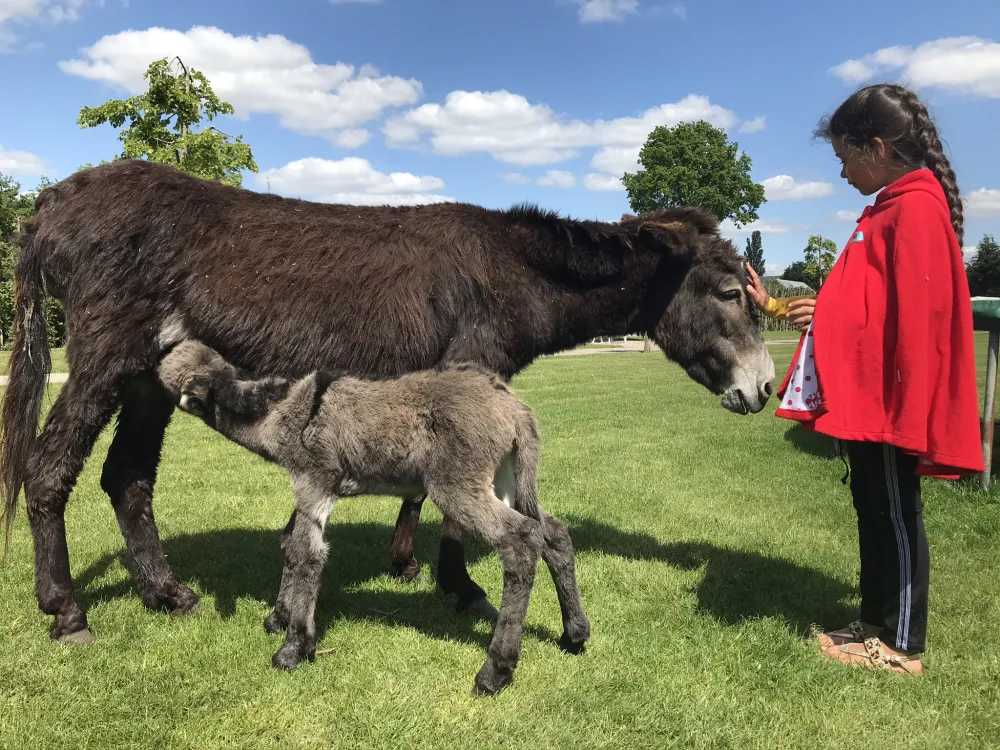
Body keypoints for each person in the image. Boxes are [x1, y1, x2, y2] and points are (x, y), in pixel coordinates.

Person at [745, 84, 983, 677]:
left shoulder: (915, 208)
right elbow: (865, 303)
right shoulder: (887, 207)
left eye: (845, 158)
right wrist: (797, 309)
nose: (844, 172)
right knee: (872, 508)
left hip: (889, 397)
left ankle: (902, 646)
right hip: (867, 395)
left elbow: (917, 317)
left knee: (897, 513)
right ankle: (874, 621)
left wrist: (907, 405)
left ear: (876, 147)